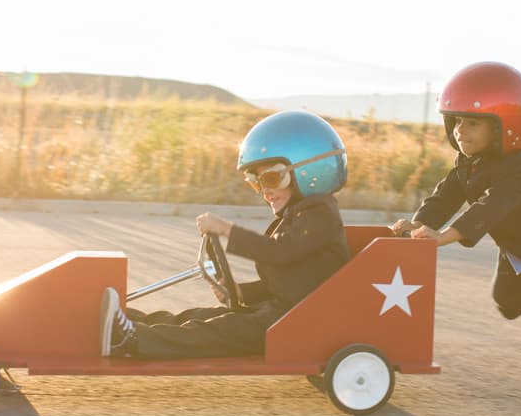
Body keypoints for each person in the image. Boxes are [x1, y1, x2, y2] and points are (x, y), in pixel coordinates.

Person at [100, 110, 350, 359]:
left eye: (272, 179)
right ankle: (129, 321)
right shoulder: (298, 216)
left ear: (308, 171)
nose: (265, 191)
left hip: (298, 323)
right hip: (285, 313)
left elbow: (280, 253)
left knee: (217, 330)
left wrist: (226, 230)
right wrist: (241, 293)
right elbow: (295, 281)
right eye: (257, 183)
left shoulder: (320, 214)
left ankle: (132, 340)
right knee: (198, 317)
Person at [391, 61, 521, 379]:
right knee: (507, 301)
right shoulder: (468, 164)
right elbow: (443, 197)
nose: (461, 130)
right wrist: (417, 225)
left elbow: (490, 206)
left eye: (473, 123)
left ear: (505, 126)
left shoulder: (518, 169)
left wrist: (445, 236)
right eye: (458, 121)